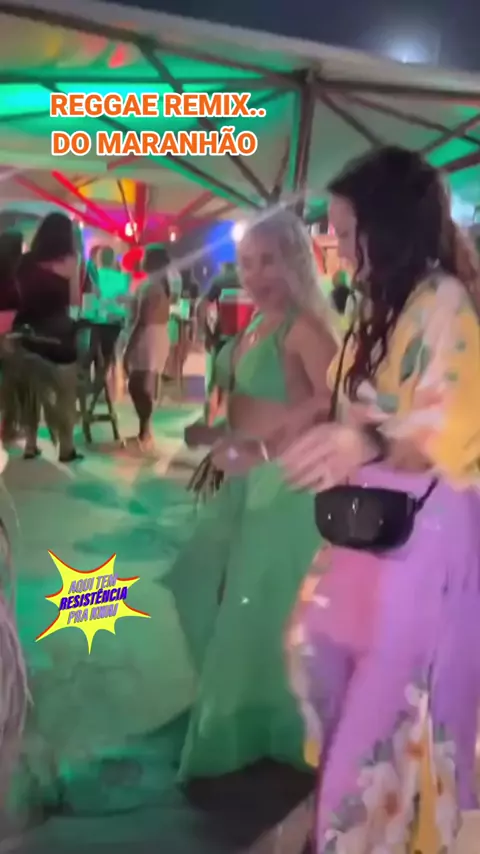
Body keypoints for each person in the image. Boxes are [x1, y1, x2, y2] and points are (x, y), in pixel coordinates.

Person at [280, 147, 480, 851]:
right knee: (335, 685)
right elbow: (349, 404)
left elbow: (452, 423)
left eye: (343, 229)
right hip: (372, 538)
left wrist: (361, 441)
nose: (333, 244)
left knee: (384, 723)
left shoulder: (444, 304)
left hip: (422, 546)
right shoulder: (381, 307)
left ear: (384, 228)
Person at [164, 210, 336, 781]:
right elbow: (251, 402)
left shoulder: (304, 329)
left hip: (285, 490)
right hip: (243, 481)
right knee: (205, 583)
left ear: (296, 262)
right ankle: (244, 713)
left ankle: (269, 726)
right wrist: (216, 432)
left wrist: (263, 447)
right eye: (247, 262)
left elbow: (334, 406)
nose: (257, 274)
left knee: (258, 607)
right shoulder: (257, 326)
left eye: (269, 261)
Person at [5, 212, 83, 462]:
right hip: (59, 337)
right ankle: (66, 448)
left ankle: (30, 444)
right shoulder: (70, 261)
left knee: (31, 393)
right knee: (65, 394)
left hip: (28, 333)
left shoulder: (25, 262)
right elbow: (74, 301)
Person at [123, 244, 171, 452]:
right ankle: (144, 432)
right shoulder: (158, 285)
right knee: (141, 385)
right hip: (157, 335)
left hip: (148, 337)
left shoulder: (151, 286)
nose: (141, 259)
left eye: (144, 257)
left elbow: (142, 320)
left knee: (138, 385)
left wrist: (128, 347)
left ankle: (145, 433)